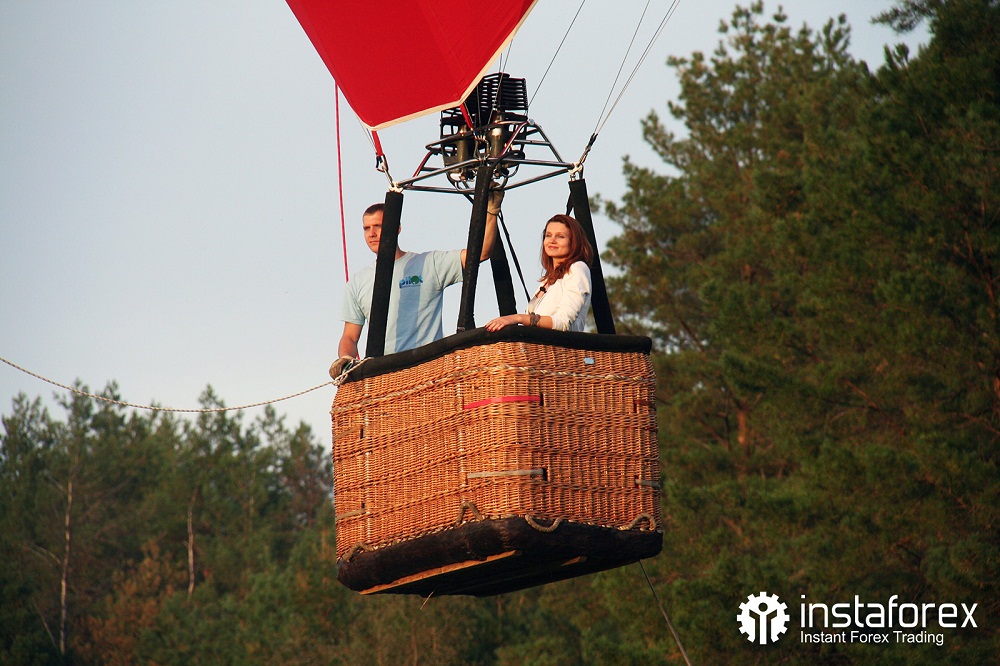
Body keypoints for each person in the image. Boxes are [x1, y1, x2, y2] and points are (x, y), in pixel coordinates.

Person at [330, 190, 502, 377]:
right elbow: (350, 336)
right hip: (384, 376)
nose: (372, 234)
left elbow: (480, 253)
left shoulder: (428, 264)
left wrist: (491, 212)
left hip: (428, 372)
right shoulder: (357, 282)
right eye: (366, 228)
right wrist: (345, 359)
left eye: (378, 226)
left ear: (397, 228)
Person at [485, 213, 593, 333]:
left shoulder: (577, 268)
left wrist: (518, 318)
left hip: (561, 344)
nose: (552, 240)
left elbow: (563, 323)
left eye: (560, 236)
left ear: (573, 242)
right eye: (548, 235)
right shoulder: (548, 279)